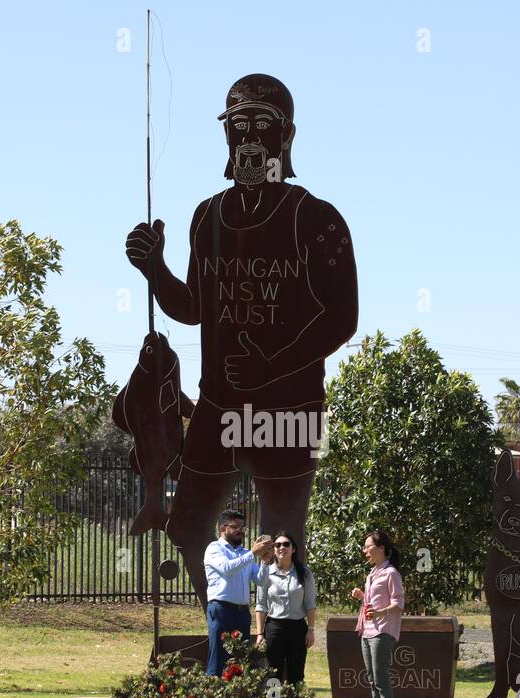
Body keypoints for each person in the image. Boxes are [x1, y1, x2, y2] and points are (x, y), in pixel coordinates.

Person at [124, 73, 358, 609]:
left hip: (289, 407)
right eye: (239, 124)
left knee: (283, 539)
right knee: (186, 526)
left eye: (263, 124)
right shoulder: (207, 216)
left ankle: (280, 636)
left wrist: (269, 366)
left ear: (286, 136)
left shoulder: (316, 219)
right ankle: (224, 627)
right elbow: (194, 308)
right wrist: (154, 269)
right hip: (217, 406)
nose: (250, 136)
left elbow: (342, 318)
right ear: (227, 135)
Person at [203, 509, 272, 676]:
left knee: (240, 659)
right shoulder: (214, 548)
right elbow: (227, 569)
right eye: (236, 527)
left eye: (242, 527)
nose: (241, 530)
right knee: (219, 657)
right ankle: (212, 695)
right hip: (221, 610)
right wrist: (253, 553)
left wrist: (265, 561)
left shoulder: (244, 553)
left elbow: (261, 580)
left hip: (242, 613)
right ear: (222, 528)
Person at [352, 530, 404, 698]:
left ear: (381, 548)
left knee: (381, 678)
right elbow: (372, 603)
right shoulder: (372, 573)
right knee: (372, 678)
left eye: (368, 547)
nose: (365, 551)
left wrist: (379, 613)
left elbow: (398, 603)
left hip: (382, 631)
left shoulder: (391, 573)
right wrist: (362, 596)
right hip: (367, 630)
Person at [254, 531, 317, 684]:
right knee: (273, 674)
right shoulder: (266, 574)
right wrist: (260, 634)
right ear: (273, 549)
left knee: (297, 674)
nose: (282, 547)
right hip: (274, 628)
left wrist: (311, 630)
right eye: (278, 545)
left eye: (286, 544)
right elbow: (261, 605)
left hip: (297, 628)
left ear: (293, 549)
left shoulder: (305, 573)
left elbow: (310, 604)